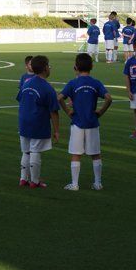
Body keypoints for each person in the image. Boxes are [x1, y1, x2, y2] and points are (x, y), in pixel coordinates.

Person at [58, 53, 112, 191]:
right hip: (92, 122)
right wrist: (100, 112)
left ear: (75, 67)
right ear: (92, 66)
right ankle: (98, 183)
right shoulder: (96, 83)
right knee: (95, 153)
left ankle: (75, 184)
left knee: (76, 154)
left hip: (77, 122)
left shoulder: (73, 83)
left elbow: (59, 98)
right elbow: (108, 98)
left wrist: (68, 111)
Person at [17, 55, 60, 189]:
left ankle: (23, 178)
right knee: (35, 151)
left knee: (26, 151)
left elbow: (20, 99)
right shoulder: (48, 88)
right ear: (45, 68)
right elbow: (54, 111)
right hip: (38, 122)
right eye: (49, 65)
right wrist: (57, 130)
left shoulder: (26, 83)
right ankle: (34, 181)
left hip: (23, 121)